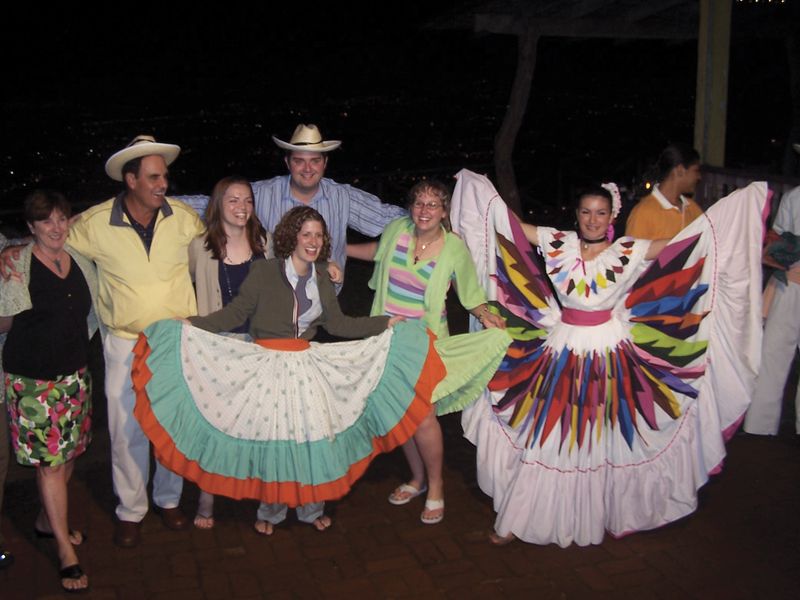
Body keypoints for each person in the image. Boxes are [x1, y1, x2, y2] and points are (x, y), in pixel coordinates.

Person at [451, 169, 766, 547]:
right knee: (547, 435)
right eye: (586, 212)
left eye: (600, 213)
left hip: (609, 354)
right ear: (577, 214)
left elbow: (687, 244)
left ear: (611, 216)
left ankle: (592, 514)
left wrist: (735, 215)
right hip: (560, 349)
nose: (593, 220)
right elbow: (511, 227)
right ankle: (517, 518)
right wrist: (479, 190)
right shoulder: (558, 242)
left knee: (597, 439)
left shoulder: (628, 249)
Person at [0, 135, 206, 548]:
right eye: (153, 176)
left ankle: (168, 500)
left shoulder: (184, 217)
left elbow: (217, 245)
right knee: (126, 426)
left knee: (172, 424)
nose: (162, 183)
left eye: (164, 175)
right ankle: (131, 510)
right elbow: (50, 240)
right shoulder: (94, 223)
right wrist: (15, 250)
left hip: (175, 342)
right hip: (124, 342)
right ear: (131, 179)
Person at [349, 180, 506, 525]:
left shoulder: (453, 248)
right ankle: (417, 479)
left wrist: (483, 313)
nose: (424, 210)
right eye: (419, 203)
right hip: (388, 338)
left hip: (425, 342)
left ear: (444, 212)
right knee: (402, 414)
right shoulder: (396, 230)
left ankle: (436, 486)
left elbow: (469, 291)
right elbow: (378, 252)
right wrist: (341, 251)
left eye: (432, 205)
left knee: (423, 416)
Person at [0, 191, 99, 592]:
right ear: (30, 227)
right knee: (51, 465)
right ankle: (63, 550)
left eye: (62, 219)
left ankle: (45, 521)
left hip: (75, 375)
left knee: (71, 452)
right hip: (33, 383)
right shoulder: (18, 263)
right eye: (46, 222)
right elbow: (4, 322)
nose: (56, 228)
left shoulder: (78, 256)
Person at [180, 124, 406, 290]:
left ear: (325, 163)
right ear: (287, 163)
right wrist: (159, 202)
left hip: (325, 307)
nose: (307, 168)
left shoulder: (342, 197)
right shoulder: (263, 194)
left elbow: (393, 219)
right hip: (274, 307)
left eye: (315, 160)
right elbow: (212, 203)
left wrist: (435, 217)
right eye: (299, 160)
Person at [188, 175, 272, 529]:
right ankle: (207, 496)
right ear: (219, 204)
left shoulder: (262, 242)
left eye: (248, 200)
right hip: (218, 350)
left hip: (259, 348)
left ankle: (265, 502)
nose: (242, 207)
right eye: (234, 200)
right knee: (216, 425)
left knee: (261, 427)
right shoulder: (200, 246)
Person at [744, 183, 800, 435]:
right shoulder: (793, 197)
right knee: (772, 356)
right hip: (790, 283)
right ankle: (759, 428)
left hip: (790, 283)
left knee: (772, 356)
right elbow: (776, 237)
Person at [625, 143, 704, 239]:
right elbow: (631, 252)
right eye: (696, 170)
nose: (699, 177)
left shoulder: (693, 209)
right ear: (680, 170)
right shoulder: (643, 213)